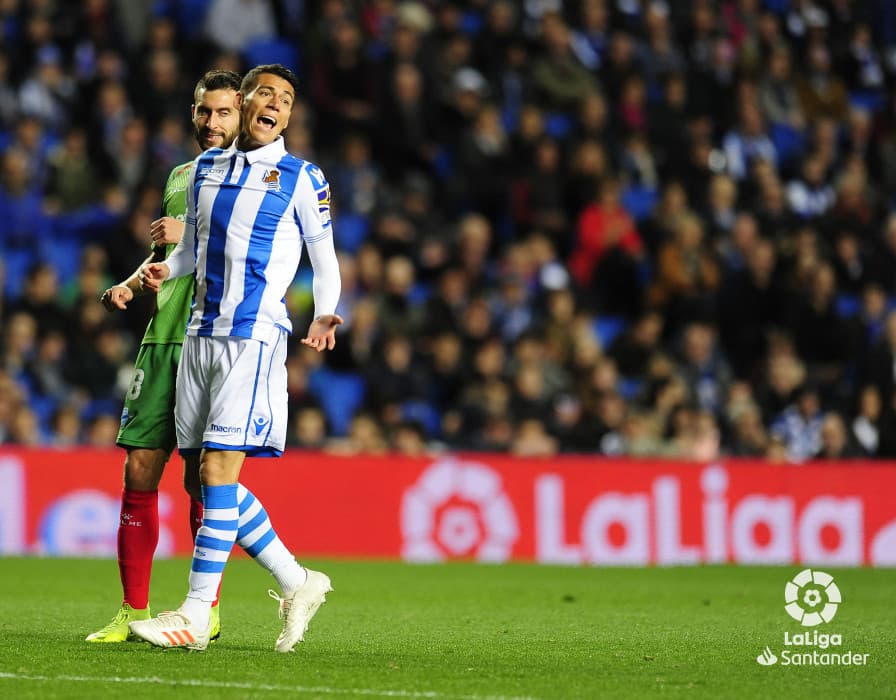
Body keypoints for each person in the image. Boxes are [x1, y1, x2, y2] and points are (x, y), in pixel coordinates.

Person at [130, 64, 343, 653]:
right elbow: (194, 250)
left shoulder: (301, 177)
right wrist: (164, 269)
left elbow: (324, 258)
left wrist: (326, 310)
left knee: (221, 474)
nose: (275, 102)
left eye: (287, 98)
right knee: (201, 485)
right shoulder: (204, 170)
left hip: (253, 336)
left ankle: (196, 615)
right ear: (244, 102)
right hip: (199, 335)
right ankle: (298, 580)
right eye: (265, 92)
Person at [86, 70, 244, 644]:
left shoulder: (256, 177)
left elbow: (254, 255)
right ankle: (131, 611)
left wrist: (193, 233)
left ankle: (207, 609)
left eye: (224, 112)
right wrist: (131, 282)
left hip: (214, 340)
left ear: (242, 116)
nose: (212, 123)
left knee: (205, 482)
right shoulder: (180, 176)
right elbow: (164, 253)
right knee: (138, 471)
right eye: (205, 112)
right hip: (163, 336)